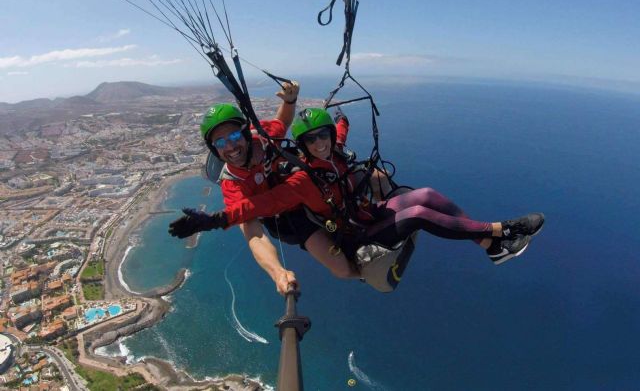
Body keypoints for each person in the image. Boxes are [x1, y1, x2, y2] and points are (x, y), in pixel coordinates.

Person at [171, 108, 544, 280]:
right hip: (354, 232)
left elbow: (336, 132)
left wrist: (341, 117)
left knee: (427, 194)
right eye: (311, 140)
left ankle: (490, 249)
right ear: (301, 147)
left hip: (368, 213)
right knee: (417, 216)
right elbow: (261, 206)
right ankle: (500, 231)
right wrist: (214, 219)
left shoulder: (331, 152)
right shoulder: (299, 182)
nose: (319, 143)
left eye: (324, 137)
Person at [195, 81, 335, 296]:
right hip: (288, 219)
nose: (230, 147)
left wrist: (290, 101)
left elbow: (282, 121)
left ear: (244, 134)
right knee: (341, 268)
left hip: (299, 191)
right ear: (214, 149)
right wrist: (277, 272)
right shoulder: (232, 183)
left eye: (233, 137)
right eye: (221, 143)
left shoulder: (263, 138)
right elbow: (253, 232)